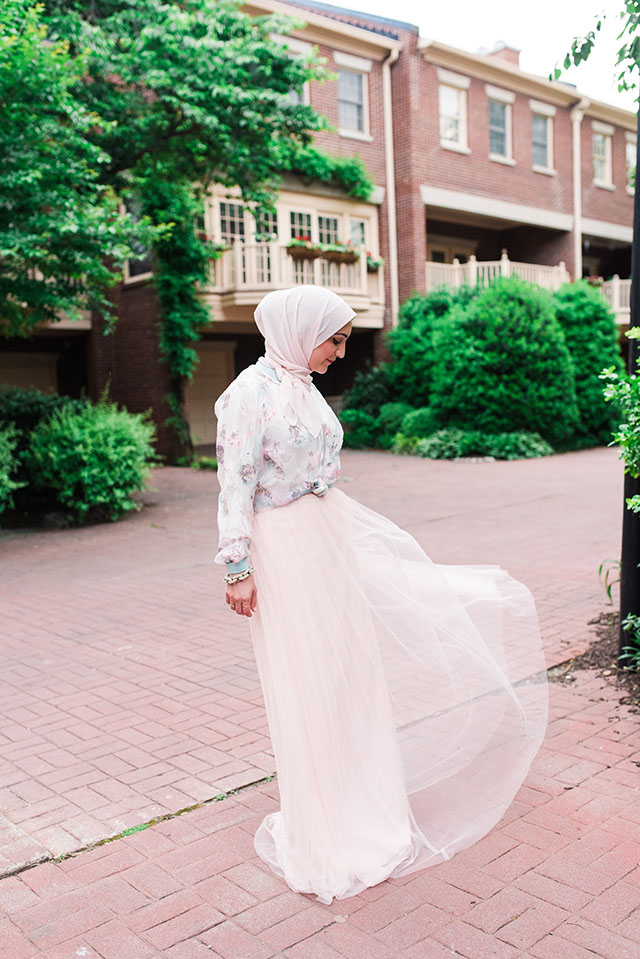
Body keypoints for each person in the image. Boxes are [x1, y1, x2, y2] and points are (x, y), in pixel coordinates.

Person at [214, 285, 548, 906]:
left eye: (345, 339)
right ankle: (325, 832)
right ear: (296, 330)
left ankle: (366, 812)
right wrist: (237, 567)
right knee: (308, 682)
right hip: (282, 548)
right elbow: (234, 483)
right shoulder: (246, 394)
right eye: (334, 339)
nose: (342, 352)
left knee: (349, 676)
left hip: (328, 538)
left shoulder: (305, 388)